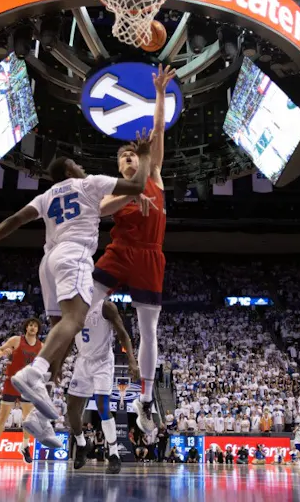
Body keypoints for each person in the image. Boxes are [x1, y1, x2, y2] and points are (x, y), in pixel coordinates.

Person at [0, 143, 152, 433]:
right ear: (70, 167)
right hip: (74, 256)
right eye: (77, 164)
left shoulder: (47, 195)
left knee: (60, 337)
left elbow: (15, 220)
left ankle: (42, 412)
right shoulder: (89, 183)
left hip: (48, 261)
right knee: (75, 320)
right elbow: (137, 183)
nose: (82, 167)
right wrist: (145, 156)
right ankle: (34, 372)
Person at [93, 64, 179, 438]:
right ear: (118, 166)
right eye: (122, 158)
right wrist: (131, 193)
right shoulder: (114, 190)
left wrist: (160, 92)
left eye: (132, 156)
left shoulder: (155, 175)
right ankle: (83, 360)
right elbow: (100, 211)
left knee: (149, 328)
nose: (128, 159)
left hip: (149, 254)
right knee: (85, 301)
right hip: (121, 250)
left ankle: (144, 399)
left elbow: (158, 131)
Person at [68, 301, 139, 475]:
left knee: (102, 405)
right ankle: (82, 444)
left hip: (103, 361)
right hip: (82, 360)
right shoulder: (72, 305)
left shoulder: (106, 307)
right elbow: (68, 336)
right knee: (71, 409)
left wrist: (131, 360)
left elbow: (122, 333)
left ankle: (114, 454)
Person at [0, 317, 43, 466]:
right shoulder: (16, 340)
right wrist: (2, 353)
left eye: (35, 326)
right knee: (2, 417)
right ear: (26, 327)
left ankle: (25, 446)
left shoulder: (41, 346)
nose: (32, 328)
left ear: (38, 330)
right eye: (30, 325)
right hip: (12, 382)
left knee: (28, 419)